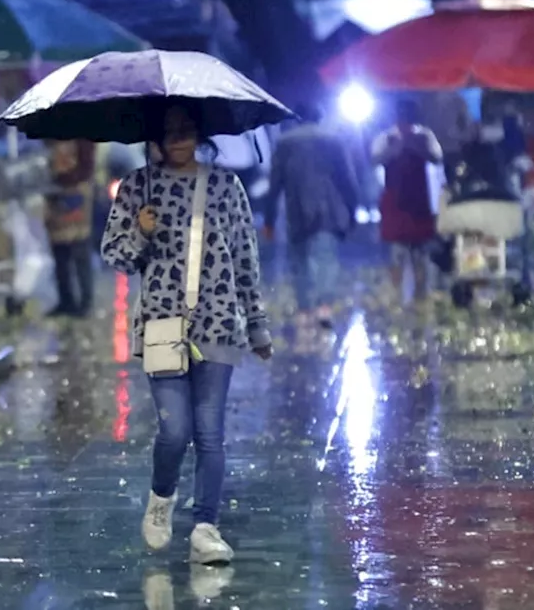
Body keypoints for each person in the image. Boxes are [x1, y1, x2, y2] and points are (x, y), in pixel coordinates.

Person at [101, 101, 273, 565]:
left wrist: (257, 326)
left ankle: (205, 527)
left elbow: (245, 258)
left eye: (186, 129)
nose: (178, 138)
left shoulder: (224, 185)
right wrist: (140, 231)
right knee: (174, 431)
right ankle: (161, 499)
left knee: (210, 433)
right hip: (161, 324)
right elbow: (115, 256)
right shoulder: (138, 188)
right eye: (168, 131)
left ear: (199, 133)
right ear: (154, 138)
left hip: (218, 321)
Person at [263, 101, 359, 328]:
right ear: (320, 116)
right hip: (329, 207)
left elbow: (274, 183)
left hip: (296, 207)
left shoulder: (285, 142)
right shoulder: (333, 139)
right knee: (326, 258)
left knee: (300, 260)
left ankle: (304, 309)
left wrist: (269, 219)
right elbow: (347, 178)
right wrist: (352, 209)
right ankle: (324, 307)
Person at [371, 97, 443, 302]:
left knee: (420, 252)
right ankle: (396, 295)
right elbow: (375, 159)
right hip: (395, 202)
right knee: (397, 253)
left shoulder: (425, 136)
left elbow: (437, 158)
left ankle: (421, 294)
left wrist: (414, 145)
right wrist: (396, 148)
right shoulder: (386, 137)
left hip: (419, 202)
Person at [45, 139, 96, 317]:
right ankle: (66, 300)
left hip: (76, 191)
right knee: (59, 251)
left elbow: (87, 163)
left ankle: (84, 302)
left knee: (80, 249)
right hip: (56, 192)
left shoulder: (82, 134)